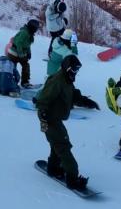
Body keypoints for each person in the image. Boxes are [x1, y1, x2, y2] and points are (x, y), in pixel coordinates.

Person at [35, 54, 98, 190]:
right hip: (48, 118)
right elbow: (44, 97)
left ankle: (53, 167)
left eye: (77, 70)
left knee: (57, 143)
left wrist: (86, 101)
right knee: (63, 145)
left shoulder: (66, 79)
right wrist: (44, 112)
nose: (75, 72)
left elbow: (72, 94)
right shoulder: (57, 80)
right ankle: (72, 178)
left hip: (55, 117)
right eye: (74, 69)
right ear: (67, 68)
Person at [7, 19, 40, 88]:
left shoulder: (29, 33)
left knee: (26, 66)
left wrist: (29, 52)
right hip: (13, 53)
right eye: (36, 28)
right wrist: (21, 54)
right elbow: (19, 43)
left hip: (20, 54)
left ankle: (25, 82)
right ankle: (10, 81)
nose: (36, 30)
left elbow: (27, 44)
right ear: (32, 27)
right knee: (12, 67)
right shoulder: (24, 32)